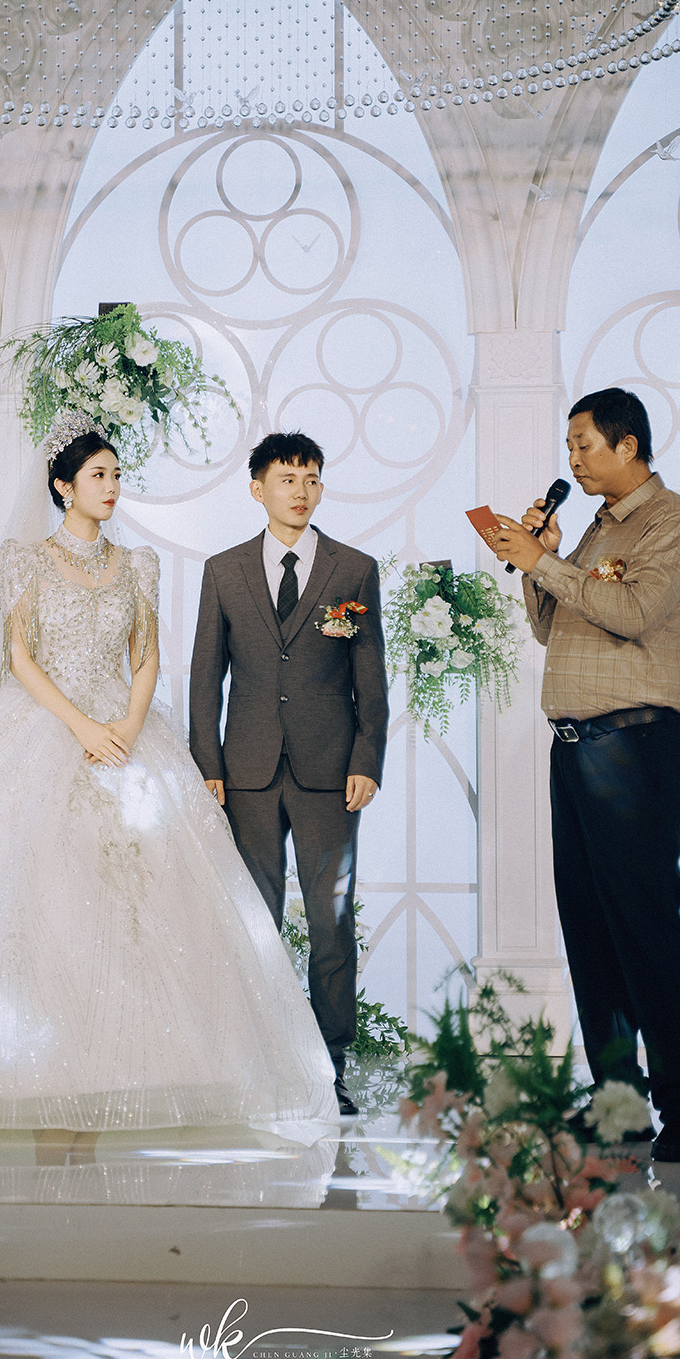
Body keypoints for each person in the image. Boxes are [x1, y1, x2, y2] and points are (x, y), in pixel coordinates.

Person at [0, 413, 338, 1143]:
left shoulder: (137, 564)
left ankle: (124, 1067)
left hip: (127, 735)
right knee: (42, 894)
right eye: (98, 475)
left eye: (116, 475)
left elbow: (145, 656)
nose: (111, 487)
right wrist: (81, 727)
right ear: (63, 486)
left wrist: (127, 726)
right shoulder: (25, 560)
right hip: (45, 727)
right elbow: (19, 657)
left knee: (141, 901)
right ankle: (37, 1064)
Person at [493, 387, 680, 1164]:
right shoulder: (596, 525)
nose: (573, 459)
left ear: (628, 445)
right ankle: (620, 1106)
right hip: (577, 746)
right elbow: (550, 626)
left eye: (583, 444)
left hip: (635, 745)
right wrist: (540, 563)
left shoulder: (673, 521)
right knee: (591, 932)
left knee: (645, 927)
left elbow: (634, 613)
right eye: (569, 446)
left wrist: (546, 563)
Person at [189, 432, 389, 1117]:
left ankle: (331, 1069)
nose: (300, 492)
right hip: (244, 771)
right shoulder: (223, 571)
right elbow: (205, 678)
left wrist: (367, 760)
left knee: (331, 922)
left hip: (331, 775)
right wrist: (208, 766)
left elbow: (371, 679)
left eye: (311, 480)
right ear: (258, 489)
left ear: (321, 488)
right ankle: (260, 1064)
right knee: (255, 921)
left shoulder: (353, 570)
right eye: (286, 479)